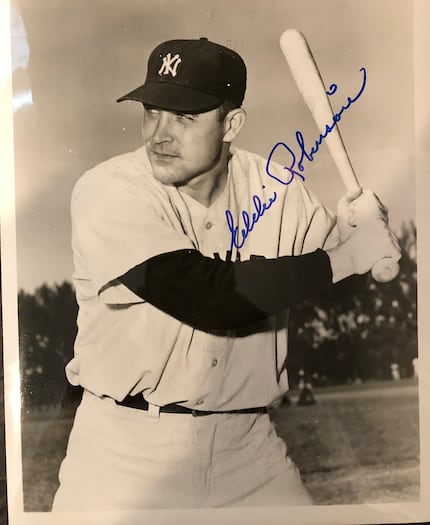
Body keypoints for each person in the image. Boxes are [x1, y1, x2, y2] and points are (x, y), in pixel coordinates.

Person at [52, 37, 400, 511]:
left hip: (249, 447)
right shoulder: (109, 190)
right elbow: (208, 298)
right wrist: (348, 257)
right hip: (124, 453)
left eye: (185, 116)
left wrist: (358, 235)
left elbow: (336, 286)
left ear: (231, 123)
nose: (159, 133)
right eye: (152, 111)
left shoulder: (278, 189)